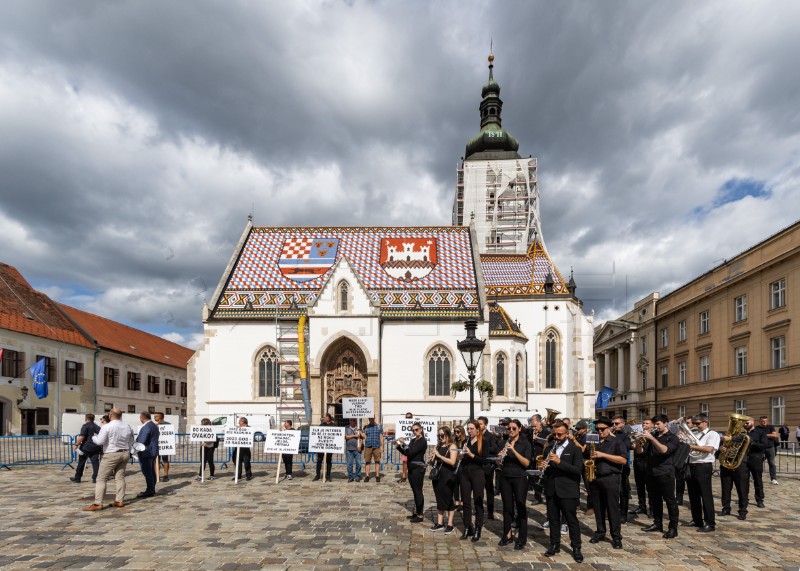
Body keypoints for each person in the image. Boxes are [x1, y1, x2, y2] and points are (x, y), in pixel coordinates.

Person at [539, 420, 583, 562]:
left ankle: (576, 547)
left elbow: (577, 471)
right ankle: (554, 544)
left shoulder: (575, 449)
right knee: (553, 519)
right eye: (555, 434)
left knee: (571, 520)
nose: (557, 437)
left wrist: (559, 462)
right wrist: (542, 468)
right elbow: (548, 471)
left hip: (568, 490)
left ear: (567, 433)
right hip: (552, 489)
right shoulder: (549, 448)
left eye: (560, 434)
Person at [83, 408, 134, 511]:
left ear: (110, 415)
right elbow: (131, 441)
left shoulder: (107, 426)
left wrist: (93, 437)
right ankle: (119, 500)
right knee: (120, 477)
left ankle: (98, 503)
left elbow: (100, 442)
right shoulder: (127, 426)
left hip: (111, 453)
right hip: (125, 452)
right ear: (121, 416)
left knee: (101, 478)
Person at [637, 414, 679, 539]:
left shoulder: (672, 438)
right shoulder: (653, 436)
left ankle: (673, 528)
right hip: (651, 472)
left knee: (670, 501)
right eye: (654, 424)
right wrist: (637, 441)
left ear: (666, 423)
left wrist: (651, 438)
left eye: (658, 424)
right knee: (655, 500)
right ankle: (657, 523)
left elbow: (664, 450)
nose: (656, 426)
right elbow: (641, 452)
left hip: (665, 472)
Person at [588, 416, 628, 550]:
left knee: (612, 508)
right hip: (595, 477)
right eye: (597, 429)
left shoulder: (616, 442)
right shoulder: (594, 442)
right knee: (598, 508)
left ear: (609, 428)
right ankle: (600, 532)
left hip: (611, 477)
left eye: (602, 429)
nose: (599, 431)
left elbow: (623, 460)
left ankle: (616, 536)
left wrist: (602, 455)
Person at [498, 419, 533, 551]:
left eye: (513, 428)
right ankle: (507, 534)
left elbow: (526, 463)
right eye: (509, 428)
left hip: (519, 477)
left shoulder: (525, 444)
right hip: (505, 476)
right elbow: (498, 463)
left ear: (519, 429)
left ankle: (522, 538)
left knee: (520, 506)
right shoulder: (503, 443)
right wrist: (499, 458)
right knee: (507, 507)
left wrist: (514, 451)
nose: (511, 430)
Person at [685, 414, 720, 532]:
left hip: (703, 466)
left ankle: (710, 523)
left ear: (705, 422)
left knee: (705, 495)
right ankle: (697, 519)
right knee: (693, 495)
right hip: (692, 465)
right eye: (694, 423)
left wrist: (690, 446)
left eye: (697, 423)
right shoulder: (695, 434)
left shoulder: (713, 434)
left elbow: (709, 449)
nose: (695, 425)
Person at [459, 419, 489, 542]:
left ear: (478, 429)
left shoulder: (484, 442)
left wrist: (472, 455)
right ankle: (467, 527)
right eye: (468, 429)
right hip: (465, 473)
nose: (469, 431)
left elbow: (485, 461)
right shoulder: (466, 441)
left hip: (477, 473)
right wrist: (461, 455)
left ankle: (478, 528)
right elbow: (464, 457)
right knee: (465, 501)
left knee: (478, 501)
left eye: (471, 429)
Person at [395, 421, 427, 523]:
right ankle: (417, 512)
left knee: (418, 491)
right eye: (413, 430)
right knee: (414, 491)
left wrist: (403, 443)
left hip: (418, 468)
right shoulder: (413, 440)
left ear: (421, 430)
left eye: (416, 430)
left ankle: (420, 515)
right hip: (411, 468)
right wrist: (398, 446)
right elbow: (407, 453)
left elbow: (412, 452)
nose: (414, 432)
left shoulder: (423, 441)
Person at [429, 426, 458, 534]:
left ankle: (450, 524)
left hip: (448, 475)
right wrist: (431, 458)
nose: (440, 437)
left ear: (447, 435)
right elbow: (433, 463)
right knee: (439, 498)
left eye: (442, 435)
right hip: (438, 475)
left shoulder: (452, 446)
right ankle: (440, 523)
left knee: (448, 498)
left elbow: (452, 462)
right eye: (438, 435)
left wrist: (439, 456)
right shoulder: (439, 445)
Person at [719, 428, 750, 520]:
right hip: (726, 465)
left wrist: (731, 439)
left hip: (740, 465)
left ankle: (743, 510)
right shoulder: (726, 437)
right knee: (725, 488)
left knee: (742, 489)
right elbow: (718, 450)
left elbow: (749, 441)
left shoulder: (745, 436)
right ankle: (726, 508)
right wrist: (721, 448)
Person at [477, 416, 500, 520]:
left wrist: (482, 447)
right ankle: (479, 509)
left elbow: (495, 449)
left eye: (480, 424)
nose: (479, 425)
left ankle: (490, 511)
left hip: (488, 466)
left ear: (485, 425)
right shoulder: (476, 435)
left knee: (489, 489)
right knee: (478, 489)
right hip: (478, 465)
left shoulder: (490, 436)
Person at [630, 418, 653, 517]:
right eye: (643, 422)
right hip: (638, 461)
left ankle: (652, 508)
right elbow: (634, 447)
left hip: (648, 462)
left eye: (647, 423)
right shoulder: (639, 434)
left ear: (652, 425)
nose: (644, 424)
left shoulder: (653, 435)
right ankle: (641, 506)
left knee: (650, 487)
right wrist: (635, 439)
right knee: (639, 485)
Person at [745, 418, 770, 508]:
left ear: (753, 422)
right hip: (744, 458)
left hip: (756, 457)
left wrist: (753, 443)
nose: (745, 424)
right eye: (744, 423)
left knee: (757, 480)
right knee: (743, 480)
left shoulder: (760, 432)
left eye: (747, 422)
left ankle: (759, 500)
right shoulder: (742, 433)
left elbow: (764, 445)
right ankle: (744, 499)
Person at [612, 415, 632, 523]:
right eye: (613, 424)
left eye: (616, 424)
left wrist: (611, 437)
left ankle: (623, 514)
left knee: (622, 491)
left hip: (623, 466)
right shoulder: (614, 434)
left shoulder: (625, 435)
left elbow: (626, 447)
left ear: (623, 424)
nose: (614, 426)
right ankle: (614, 511)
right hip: (612, 465)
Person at [71, 413, 101, 484]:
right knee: (95, 463)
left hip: (86, 447)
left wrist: (76, 444)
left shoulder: (85, 426)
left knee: (81, 462)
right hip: (96, 447)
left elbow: (81, 437)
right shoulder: (97, 427)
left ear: (86, 419)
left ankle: (77, 478)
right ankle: (96, 478)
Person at [136, 411, 160, 498]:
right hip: (153, 451)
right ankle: (152, 488)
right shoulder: (154, 425)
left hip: (146, 452)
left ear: (142, 418)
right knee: (151, 471)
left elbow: (142, 441)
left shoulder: (146, 427)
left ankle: (150, 490)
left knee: (147, 472)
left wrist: (136, 447)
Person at [528, 414, 550, 505]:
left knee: (543, 478)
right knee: (533, 478)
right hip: (533, 458)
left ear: (538, 422)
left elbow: (548, 442)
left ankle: (546, 495)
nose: (531, 422)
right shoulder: (531, 431)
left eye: (532, 420)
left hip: (542, 458)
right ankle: (537, 497)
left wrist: (537, 438)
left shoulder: (546, 432)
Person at [757, 416, 779, 484]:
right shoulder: (757, 428)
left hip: (770, 447)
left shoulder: (770, 427)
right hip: (760, 448)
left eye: (766, 421)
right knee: (758, 463)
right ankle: (757, 477)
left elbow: (774, 435)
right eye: (763, 421)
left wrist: (764, 435)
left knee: (772, 463)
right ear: (759, 421)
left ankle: (773, 479)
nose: (764, 423)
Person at [362, 417, 385, 482]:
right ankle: (367, 476)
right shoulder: (366, 427)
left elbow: (381, 437)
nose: (370, 419)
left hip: (377, 446)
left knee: (377, 461)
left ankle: (377, 475)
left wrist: (382, 446)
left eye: (372, 418)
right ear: (368, 419)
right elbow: (363, 436)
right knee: (367, 461)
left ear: (374, 418)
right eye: (369, 418)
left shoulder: (379, 427)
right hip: (368, 446)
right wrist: (360, 432)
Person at [314, 413, 335, 481]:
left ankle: (328, 476)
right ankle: (317, 475)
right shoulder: (321, 425)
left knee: (328, 461)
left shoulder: (334, 425)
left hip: (329, 447)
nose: (323, 418)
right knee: (319, 461)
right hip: (321, 447)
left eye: (324, 417)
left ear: (328, 418)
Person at [231, 417, 253, 481]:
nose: (239, 423)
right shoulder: (237, 428)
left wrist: (243, 428)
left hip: (245, 449)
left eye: (240, 421)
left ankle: (248, 475)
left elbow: (249, 433)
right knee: (237, 462)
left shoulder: (248, 428)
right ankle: (238, 475)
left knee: (246, 462)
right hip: (237, 448)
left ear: (243, 422)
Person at [153, 412, 171, 482]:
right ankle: (156, 475)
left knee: (165, 460)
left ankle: (165, 475)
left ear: (160, 417)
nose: (154, 418)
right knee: (155, 461)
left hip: (164, 446)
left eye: (156, 416)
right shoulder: (153, 425)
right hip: (156, 445)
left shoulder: (168, 425)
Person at [452, 424, 466, 511]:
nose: (456, 433)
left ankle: (463, 502)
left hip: (462, 464)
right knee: (455, 484)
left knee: (463, 484)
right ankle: (457, 501)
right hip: (455, 464)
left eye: (457, 431)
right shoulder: (454, 441)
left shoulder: (465, 441)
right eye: (455, 431)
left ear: (462, 432)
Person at [345, 417, 363, 482]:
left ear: (355, 421)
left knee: (358, 463)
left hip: (357, 449)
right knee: (349, 464)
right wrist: (354, 436)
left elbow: (362, 438)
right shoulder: (346, 428)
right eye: (351, 420)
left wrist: (360, 446)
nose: (352, 421)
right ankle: (350, 477)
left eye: (354, 420)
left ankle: (358, 476)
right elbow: (345, 436)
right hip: (349, 449)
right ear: (349, 421)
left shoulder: (358, 428)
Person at [399, 412, 413, 482]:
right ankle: (404, 476)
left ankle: (412, 475)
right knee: (405, 461)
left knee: (413, 461)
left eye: (409, 417)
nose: (408, 419)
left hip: (413, 445)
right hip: (405, 445)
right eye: (407, 417)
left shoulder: (414, 425)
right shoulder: (402, 425)